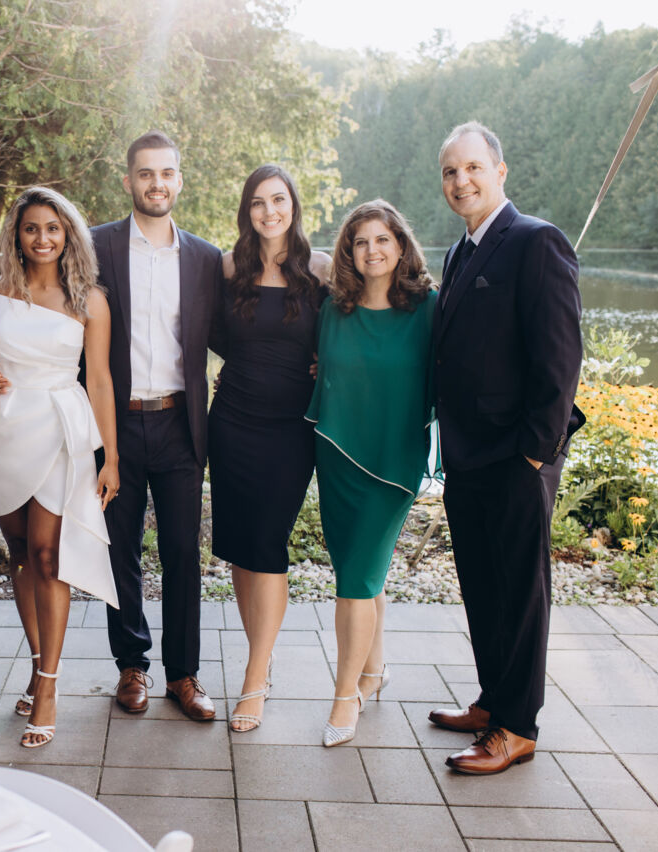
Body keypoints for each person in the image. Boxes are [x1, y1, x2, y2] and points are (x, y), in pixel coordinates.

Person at [429, 122, 584, 774]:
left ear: (499, 170)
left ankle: (517, 727)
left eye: (472, 167)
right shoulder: (460, 253)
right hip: (467, 455)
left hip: (516, 458)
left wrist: (535, 453)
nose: (461, 180)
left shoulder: (536, 241)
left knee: (519, 594)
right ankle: (493, 701)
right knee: (482, 586)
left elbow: (561, 358)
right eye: (450, 172)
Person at [0, 187, 120, 748]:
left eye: (53, 228)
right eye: (32, 228)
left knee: (48, 555)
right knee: (18, 552)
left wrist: (111, 457)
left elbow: (99, 380)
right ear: (17, 234)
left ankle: (50, 686)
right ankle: (37, 665)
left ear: (68, 235)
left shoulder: (90, 301)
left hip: (60, 428)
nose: (42, 238)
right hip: (5, 426)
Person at [90, 131, 223, 720]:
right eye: (145, 173)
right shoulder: (95, 246)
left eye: (166, 173)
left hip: (179, 424)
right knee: (119, 550)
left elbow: (232, 333)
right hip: (114, 422)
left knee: (182, 553)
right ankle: (131, 666)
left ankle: (184, 674)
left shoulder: (205, 258)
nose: (156, 183)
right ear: (128, 181)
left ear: (179, 180)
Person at [305, 199, 436, 746]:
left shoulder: (429, 307)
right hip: (337, 455)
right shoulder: (334, 308)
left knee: (355, 581)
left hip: (392, 464)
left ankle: (344, 698)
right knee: (362, 573)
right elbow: (317, 368)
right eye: (360, 242)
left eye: (382, 239)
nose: (372, 250)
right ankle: (375, 671)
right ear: (349, 252)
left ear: (401, 246)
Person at [208, 164, 330, 733]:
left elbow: (353, 325)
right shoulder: (228, 267)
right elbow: (210, 333)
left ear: (293, 205)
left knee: (268, 543)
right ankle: (262, 654)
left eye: (278, 200)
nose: (269, 211)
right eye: (258, 202)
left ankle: (255, 677)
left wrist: (328, 365)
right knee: (239, 546)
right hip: (232, 420)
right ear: (247, 211)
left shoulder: (320, 269)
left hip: (290, 427)